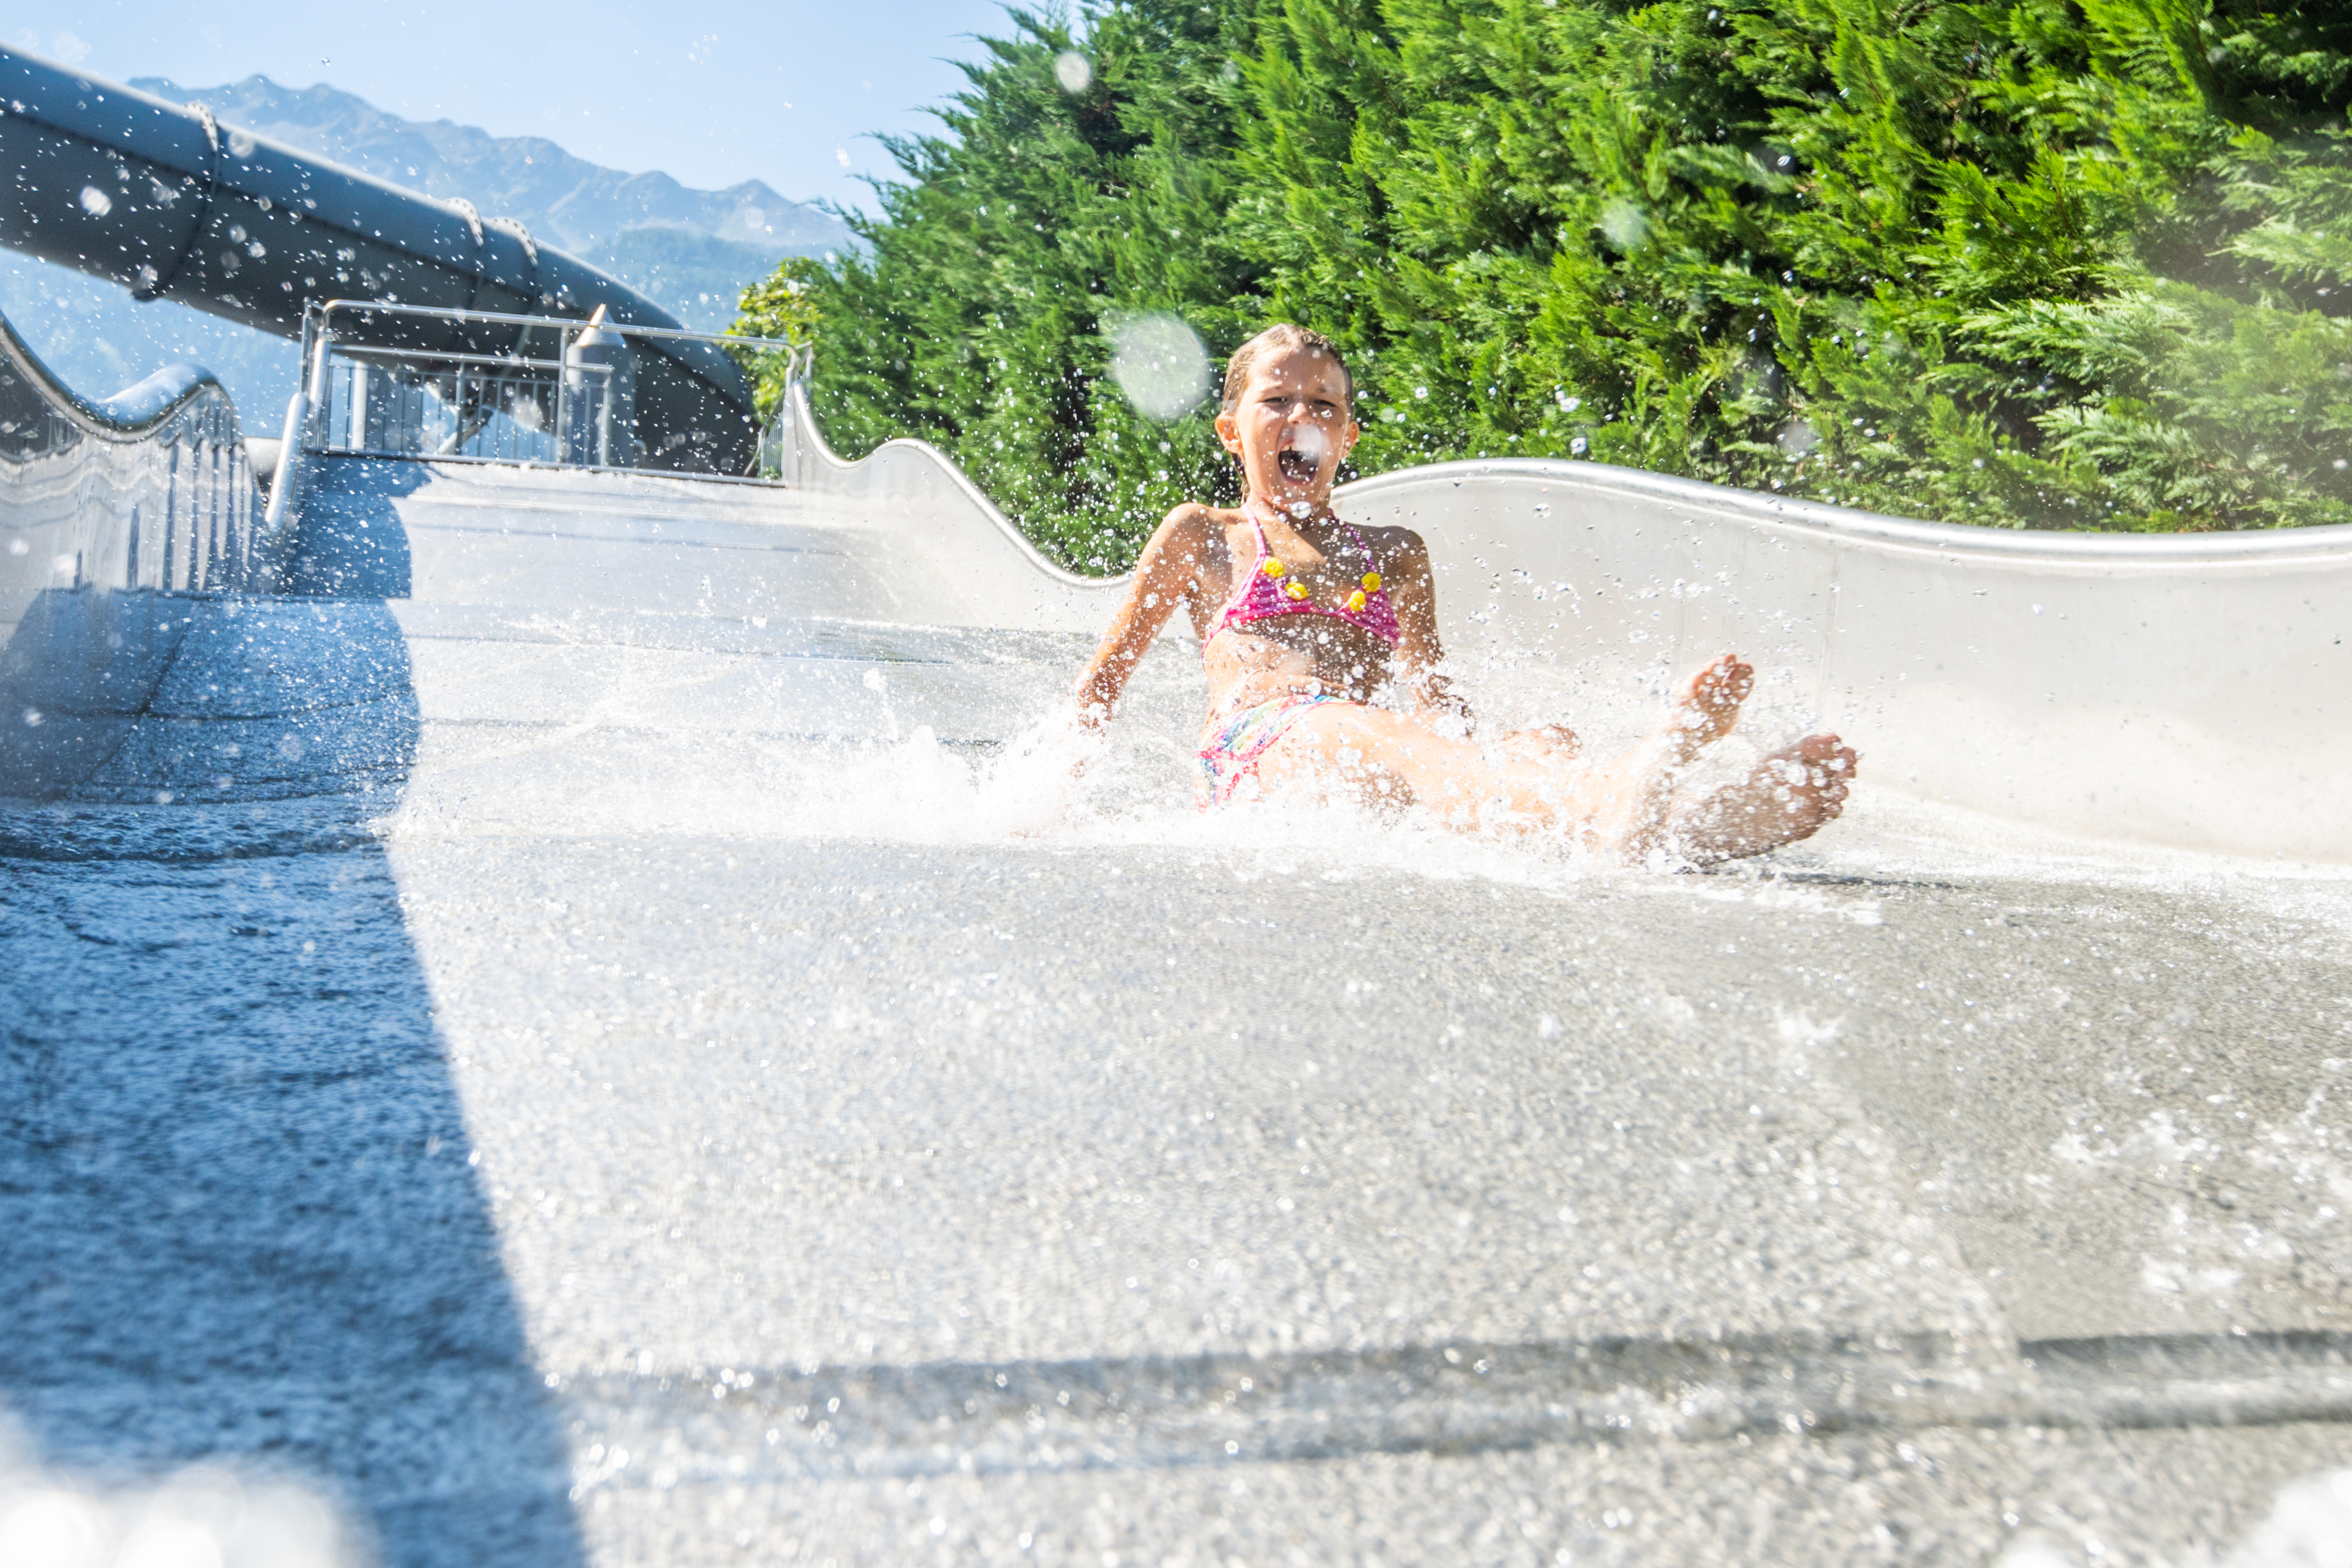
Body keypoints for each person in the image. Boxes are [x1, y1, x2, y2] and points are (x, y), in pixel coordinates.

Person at [1072, 324, 1856, 866]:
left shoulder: (1395, 554)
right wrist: (1050, 806)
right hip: (1259, 758)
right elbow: (1102, 683)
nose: (1300, 417)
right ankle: (1627, 802)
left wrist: (1489, 755)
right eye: (1276, 401)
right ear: (1230, 432)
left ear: (1347, 438)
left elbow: (1435, 694)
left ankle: (1689, 826)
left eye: (1324, 406)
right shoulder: (1204, 535)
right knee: (1356, 727)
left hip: (1368, 749)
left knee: (1541, 742)